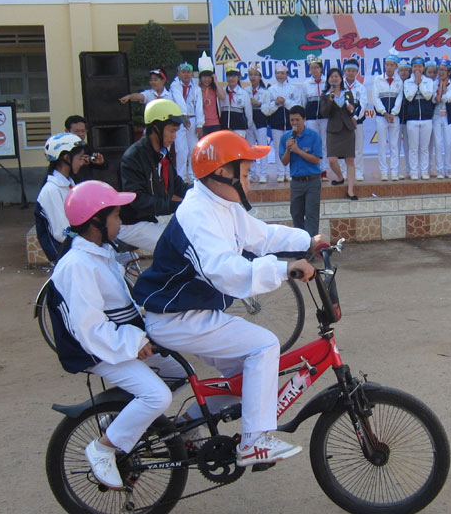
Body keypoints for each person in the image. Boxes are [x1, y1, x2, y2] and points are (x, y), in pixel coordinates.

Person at [132, 131, 323, 467]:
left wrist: (309, 240)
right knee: (264, 346)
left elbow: (262, 235)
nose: (249, 182)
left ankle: (187, 427)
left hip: (194, 313)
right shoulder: (197, 214)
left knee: (245, 379)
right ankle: (254, 442)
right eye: (245, 174)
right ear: (222, 173)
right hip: (175, 318)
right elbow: (224, 271)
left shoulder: (224, 205)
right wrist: (285, 269)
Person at [48, 180, 202, 489]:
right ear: (95, 222)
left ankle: (125, 421)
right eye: (116, 215)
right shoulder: (78, 265)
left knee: (179, 371)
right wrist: (134, 342)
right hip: (96, 350)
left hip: (114, 342)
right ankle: (104, 448)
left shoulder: (100, 253)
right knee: (156, 395)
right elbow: (89, 329)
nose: (121, 221)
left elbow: (122, 305)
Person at [117, 99, 188, 252]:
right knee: (180, 247)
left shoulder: (162, 153)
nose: (174, 137)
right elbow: (137, 200)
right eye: (172, 131)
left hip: (148, 220)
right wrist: (174, 205)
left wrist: (204, 191)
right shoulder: (133, 156)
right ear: (156, 127)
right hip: (130, 225)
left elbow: (177, 185)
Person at [36, 133, 86, 262]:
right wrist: (86, 239)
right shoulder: (51, 190)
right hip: (64, 252)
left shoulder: (68, 183)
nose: (82, 162)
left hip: (75, 246)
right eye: (79, 158)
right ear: (66, 157)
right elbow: (62, 232)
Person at [280, 106, 322, 235]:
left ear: (304, 119)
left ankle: (311, 248)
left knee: (311, 214)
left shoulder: (314, 136)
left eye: (297, 120)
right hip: (297, 182)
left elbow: (316, 159)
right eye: (292, 120)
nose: (294, 123)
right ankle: (300, 246)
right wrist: (288, 149)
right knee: (296, 214)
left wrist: (298, 151)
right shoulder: (286, 137)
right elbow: (284, 161)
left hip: (312, 181)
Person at [321, 67, 359, 200]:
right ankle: (340, 177)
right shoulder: (325, 95)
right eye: (332, 77)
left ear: (341, 79)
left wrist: (351, 109)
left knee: (350, 160)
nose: (334, 79)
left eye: (336, 76)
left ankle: (350, 190)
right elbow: (324, 112)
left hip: (347, 129)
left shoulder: (348, 94)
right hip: (333, 130)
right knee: (332, 159)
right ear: (328, 80)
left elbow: (353, 112)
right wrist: (331, 100)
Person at [263, 62, 302, 183]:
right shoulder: (270, 90)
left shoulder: (293, 89)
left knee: (292, 146)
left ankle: (290, 172)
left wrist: (285, 102)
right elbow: (266, 109)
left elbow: (298, 105)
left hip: (291, 124)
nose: (280, 75)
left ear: (287, 74)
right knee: (279, 148)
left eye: (282, 73)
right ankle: (280, 172)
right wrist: (276, 103)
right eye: (277, 73)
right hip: (276, 124)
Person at [169, 61, 203, 183]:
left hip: (193, 119)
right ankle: (181, 177)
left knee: (193, 149)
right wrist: (183, 116)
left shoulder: (196, 87)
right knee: (181, 150)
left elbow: (199, 106)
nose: (186, 75)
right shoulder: (175, 86)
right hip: (179, 119)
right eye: (183, 72)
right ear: (178, 74)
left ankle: (193, 175)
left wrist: (200, 124)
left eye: (188, 72)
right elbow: (178, 99)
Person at [372, 52, 404, 181]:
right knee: (382, 145)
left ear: (396, 67)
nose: (389, 67)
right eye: (387, 64)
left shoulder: (399, 81)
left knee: (394, 145)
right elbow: (375, 97)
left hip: (394, 117)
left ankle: (394, 171)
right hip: (381, 117)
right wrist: (384, 112)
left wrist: (393, 113)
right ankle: (384, 171)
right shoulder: (377, 79)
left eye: (392, 65)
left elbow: (399, 98)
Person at [403, 56, 435, 180]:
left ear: (423, 68)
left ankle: (424, 171)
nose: (417, 69)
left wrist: (420, 83)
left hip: (426, 119)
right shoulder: (407, 82)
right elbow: (409, 96)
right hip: (412, 119)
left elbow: (428, 96)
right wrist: (415, 83)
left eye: (419, 66)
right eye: (415, 66)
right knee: (413, 148)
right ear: (412, 68)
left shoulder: (429, 81)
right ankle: (414, 172)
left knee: (424, 148)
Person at [299, 55, 328, 175]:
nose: (314, 70)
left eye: (316, 67)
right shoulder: (306, 84)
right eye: (312, 68)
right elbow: (303, 103)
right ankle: (313, 168)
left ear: (321, 69)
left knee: (324, 144)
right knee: (312, 143)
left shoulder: (328, 82)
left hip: (325, 118)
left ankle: (324, 169)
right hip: (311, 119)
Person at [340, 58, 368, 182]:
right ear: (344, 71)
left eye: (353, 71)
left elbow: (363, 104)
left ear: (357, 72)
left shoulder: (361, 87)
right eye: (348, 70)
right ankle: (343, 172)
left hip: (357, 122)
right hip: (341, 122)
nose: (350, 73)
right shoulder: (340, 86)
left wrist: (355, 117)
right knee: (342, 148)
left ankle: (359, 172)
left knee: (358, 148)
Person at [432, 58, 451, 179]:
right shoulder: (433, 83)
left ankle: (448, 168)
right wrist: (440, 89)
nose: (441, 72)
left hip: (447, 115)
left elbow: (446, 98)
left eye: (444, 70)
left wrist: (441, 90)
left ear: (449, 72)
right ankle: (440, 169)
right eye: (440, 70)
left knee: (448, 143)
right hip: (436, 115)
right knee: (438, 143)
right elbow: (434, 100)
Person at [244, 64, 270, 183]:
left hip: (261, 122)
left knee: (262, 147)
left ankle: (263, 173)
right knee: (250, 148)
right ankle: (251, 172)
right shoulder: (246, 91)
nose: (253, 77)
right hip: (250, 122)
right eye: (251, 75)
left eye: (255, 75)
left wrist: (259, 104)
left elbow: (268, 109)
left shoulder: (265, 92)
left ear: (260, 77)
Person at [64, 115, 106, 182]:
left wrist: (101, 162)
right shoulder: (63, 150)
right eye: (77, 131)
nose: (80, 134)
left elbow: (102, 166)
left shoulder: (86, 147)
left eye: (83, 131)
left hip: (86, 184)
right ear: (67, 131)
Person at [219, 63, 252, 137]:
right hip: (224, 129)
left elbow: (249, 114)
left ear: (238, 77)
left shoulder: (243, 94)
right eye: (229, 76)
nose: (231, 79)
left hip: (239, 130)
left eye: (234, 76)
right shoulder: (222, 92)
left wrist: (245, 126)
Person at [198, 54, 226, 137]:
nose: (206, 79)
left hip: (215, 123)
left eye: (209, 77)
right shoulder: (197, 89)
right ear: (200, 77)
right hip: (202, 124)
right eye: (204, 77)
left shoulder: (214, 89)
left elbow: (223, 97)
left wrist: (216, 82)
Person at [397, 57, 412, 180]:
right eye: (401, 70)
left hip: (409, 119)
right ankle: (396, 171)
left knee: (409, 146)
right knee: (395, 146)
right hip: (396, 119)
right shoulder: (395, 83)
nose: (403, 72)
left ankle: (410, 169)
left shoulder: (412, 83)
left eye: (406, 70)